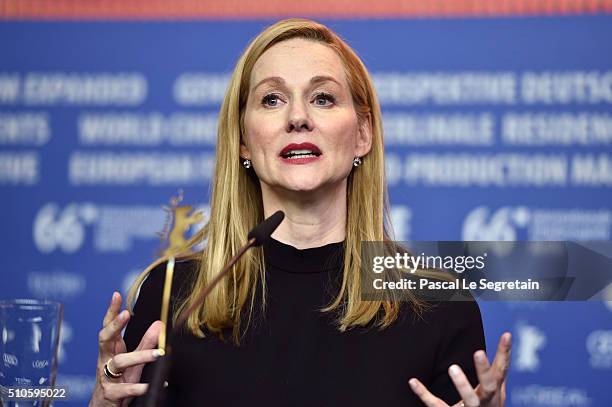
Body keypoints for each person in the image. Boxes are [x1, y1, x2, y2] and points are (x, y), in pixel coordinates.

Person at [89, 18, 511, 407]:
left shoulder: (435, 305)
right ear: (242, 141)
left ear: (362, 134)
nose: (297, 117)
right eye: (271, 99)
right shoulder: (176, 297)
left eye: (322, 98)